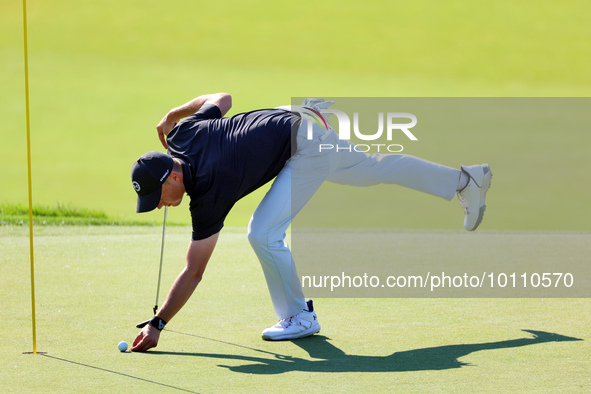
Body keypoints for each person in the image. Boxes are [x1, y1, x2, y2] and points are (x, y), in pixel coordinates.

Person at [129, 93, 492, 351]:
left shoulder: (208, 195)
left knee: (263, 233)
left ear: (172, 179)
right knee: (374, 169)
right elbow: (222, 98)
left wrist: (158, 323)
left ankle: (299, 317)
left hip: (306, 146)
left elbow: (194, 271)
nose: (159, 206)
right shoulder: (182, 134)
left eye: (156, 198)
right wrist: (175, 113)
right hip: (303, 119)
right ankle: (465, 181)